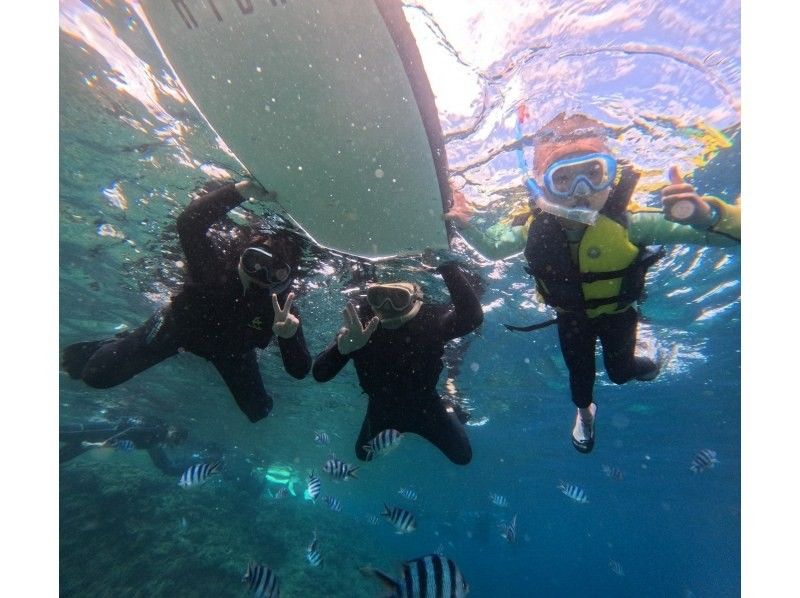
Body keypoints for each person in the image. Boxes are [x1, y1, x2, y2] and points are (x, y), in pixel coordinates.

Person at [446, 112, 740, 454]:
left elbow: (733, 237)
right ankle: (585, 412)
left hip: (620, 312)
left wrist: (708, 217)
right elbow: (493, 248)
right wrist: (467, 224)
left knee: (620, 373)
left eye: (593, 174)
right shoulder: (534, 228)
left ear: (611, 176)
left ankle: (648, 356)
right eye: (564, 179)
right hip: (571, 318)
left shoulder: (631, 222)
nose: (580, 192)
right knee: (579, 381)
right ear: (542, 186)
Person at [61, 180, 312, 423]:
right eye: (255, 262)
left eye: (276, 272)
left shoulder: (282, 308)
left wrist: (289, 336)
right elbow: (189, 223)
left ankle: (126, 342)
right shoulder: (213, 269)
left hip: (232, 353)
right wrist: (241, 191)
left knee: (259, 412)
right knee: (97, 375)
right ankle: (119, 341)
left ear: (286, 278)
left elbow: (299, 370)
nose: (261, 276)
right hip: (177, 328)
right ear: (241, 256)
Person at [311, 259, 484, 465]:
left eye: (398, 298)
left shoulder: (429, 318)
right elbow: (320, 374)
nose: (387, 307)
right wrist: (342, 349)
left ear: (415, 299)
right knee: (363, 454)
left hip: (426, 406)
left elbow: (471, 317)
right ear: (370, 298)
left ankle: (448, 404)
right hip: (381, 409)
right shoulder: (360, 323)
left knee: (463, 456)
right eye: (378, 297)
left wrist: (445, 263)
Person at [59, 415, 189, 475]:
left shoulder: (156, 441)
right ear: (173, 432)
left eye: (177, 443)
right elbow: (132, 431)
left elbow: (161, 464)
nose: (173, 443)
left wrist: (187, 470)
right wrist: (108, 442)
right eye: (175, 439)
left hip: (94, 440)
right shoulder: (158, 431)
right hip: (102, 431)